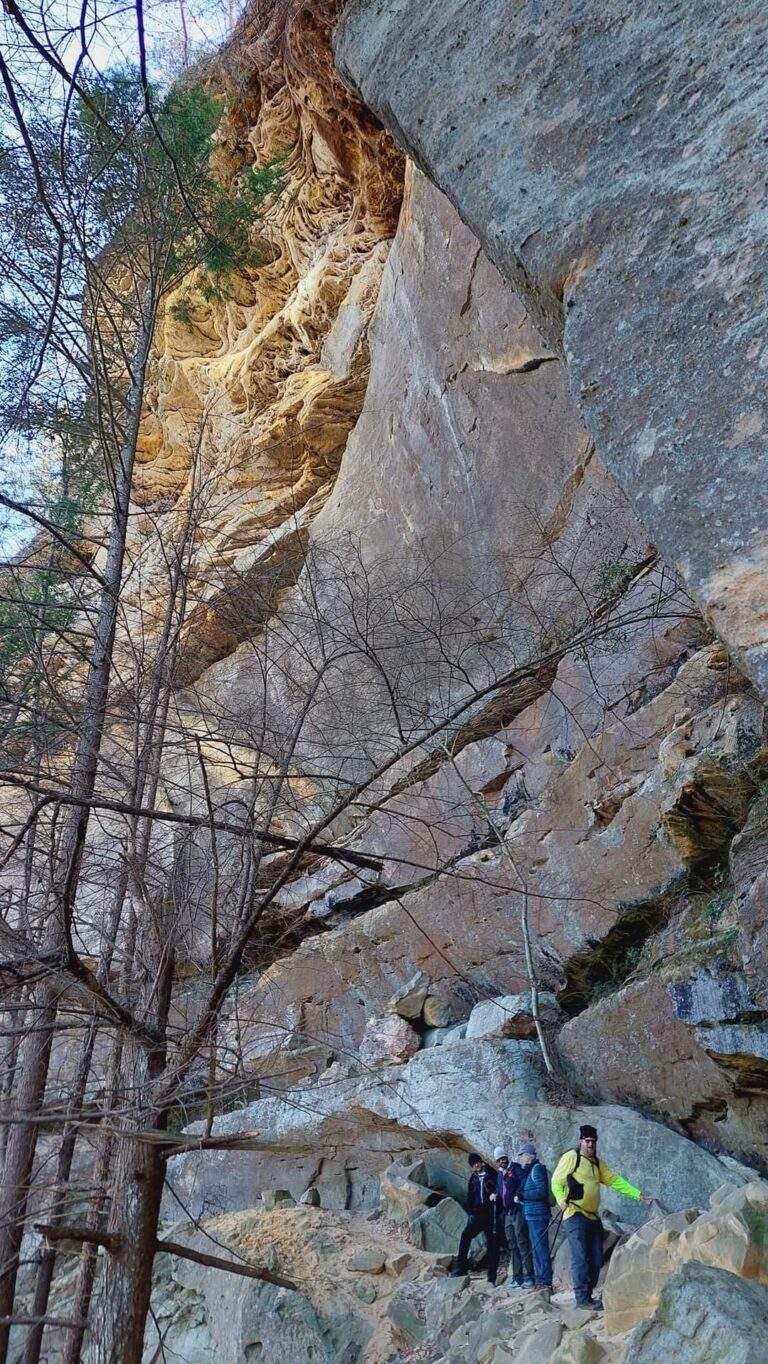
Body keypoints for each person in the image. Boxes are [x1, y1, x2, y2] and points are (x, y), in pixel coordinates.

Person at [551, 1124, 653, 1310]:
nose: (590, 1144)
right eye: (587, 1141)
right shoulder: (571, 1158)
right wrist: (560, 1200)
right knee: (580, 1257)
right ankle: (582, 1300)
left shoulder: (597, 1163)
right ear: (581, 1141)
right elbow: (556, 1182)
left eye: (593, 1141)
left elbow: (614, 1181)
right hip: (574, 1214)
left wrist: (638, 1194)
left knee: (596, 1258)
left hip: (592, 1216)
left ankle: (588, 1296)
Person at [451, 1152, 499, 1283]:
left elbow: (499, 1190)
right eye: (473, 1164)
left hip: (490, 1215)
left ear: (481, 1162)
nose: (476, 1165)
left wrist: (495, 1194)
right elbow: (470, 1197)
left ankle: (492, 1277)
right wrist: (471, 1213)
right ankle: (461, 1267)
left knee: (492, 1245)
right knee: (465, 1235)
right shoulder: (473, 1178)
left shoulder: (492, 1175)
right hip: (477, 1215)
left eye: (477, 1162)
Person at [493, 1145, 534, 1289]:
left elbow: (524, 1183)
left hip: (517, 1210)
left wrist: (519, 1194)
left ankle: (530, 1276)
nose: (501, 1161)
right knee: (513, 1244)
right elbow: (500, 1190)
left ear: (507, 1157)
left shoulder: (516, 1169)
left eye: (503, 1158)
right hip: (507, 1213)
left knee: (522, 1241)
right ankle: (517, 1278)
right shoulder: (500, 1175)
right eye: (498, 1160)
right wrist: (496, 1195)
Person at [517, 1142, 553, 1292]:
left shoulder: (536, 1169)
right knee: (537, 1248)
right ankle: (542, 1280)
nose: (520, 1159)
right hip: (532, 1215)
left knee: (541, 1249)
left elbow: (540, 1192)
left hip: (538, 1215)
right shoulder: (531, 1170)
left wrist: (523, 1195)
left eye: (521, 1156)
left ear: (528, 1156)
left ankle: (546, 1282)